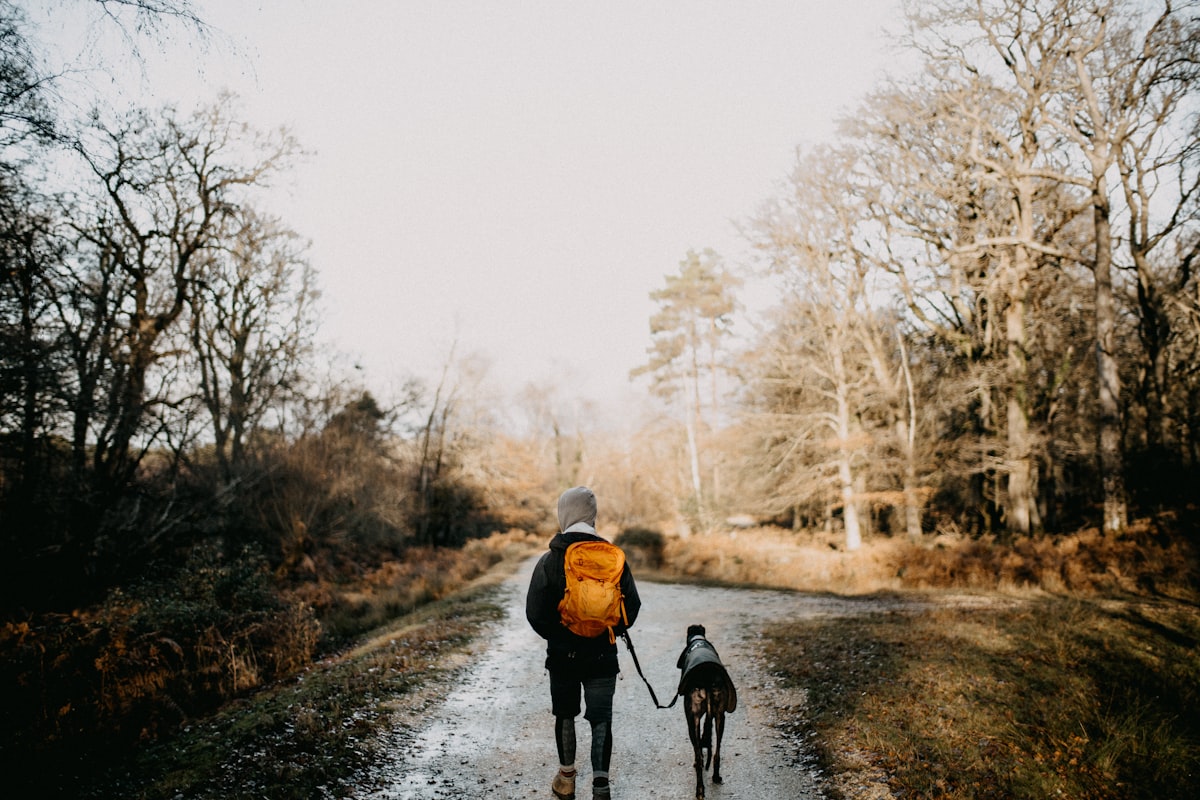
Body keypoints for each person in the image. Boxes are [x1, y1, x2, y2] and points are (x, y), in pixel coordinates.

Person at [526, 486, 641, 800]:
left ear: (564, 514)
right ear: (592, 516)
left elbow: (534, 612)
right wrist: (607, 630)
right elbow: (632, 607)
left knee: (565, 714)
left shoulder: (551, 560)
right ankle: (601, 786)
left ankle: (566, 780)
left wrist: (560, 636)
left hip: (563, 656)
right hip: (603, 655)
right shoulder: (613, 559)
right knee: (600, 718)